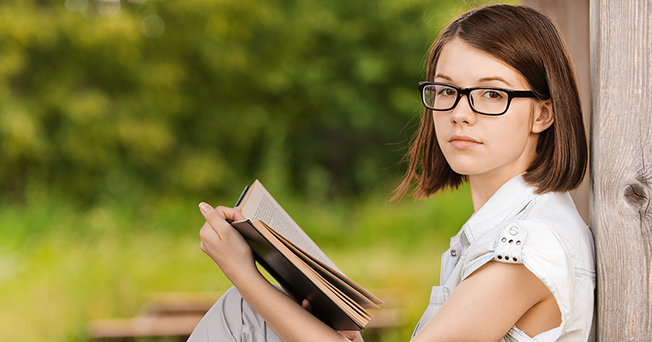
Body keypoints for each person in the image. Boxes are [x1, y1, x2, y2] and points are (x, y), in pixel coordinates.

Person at [188, 4, 595, 342]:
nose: (460, 114)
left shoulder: (528, 249)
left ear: (543, 113)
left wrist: (245, 275)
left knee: (242, 313)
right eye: (447, 90)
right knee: (252, 314)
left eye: (491, 93)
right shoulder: (503, 228)